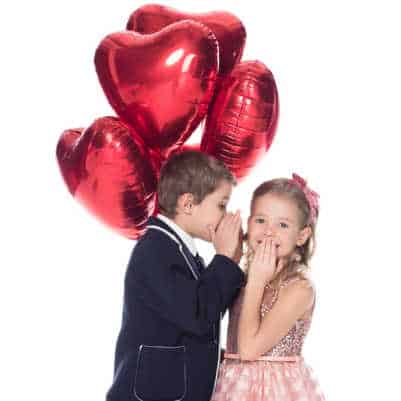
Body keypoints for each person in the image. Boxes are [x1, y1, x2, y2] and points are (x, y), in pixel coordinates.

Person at [106, 150, 246, 401]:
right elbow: (198, 315)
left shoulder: (179, 251)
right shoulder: (156, 250)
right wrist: (224, 259)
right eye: (221, 205)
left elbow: (209, 308)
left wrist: (233, 261)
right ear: (188, 204)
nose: (226, 215)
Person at [211, 173, 326, 401]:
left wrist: (256, 281)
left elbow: (249, 350)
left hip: (274, 391)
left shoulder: (299, 289)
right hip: (233, 387)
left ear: (302, 235)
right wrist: (227, 260)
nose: (269, 231)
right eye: (260, 220)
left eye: (282, 224)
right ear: (248, 223)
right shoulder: (244, 278)